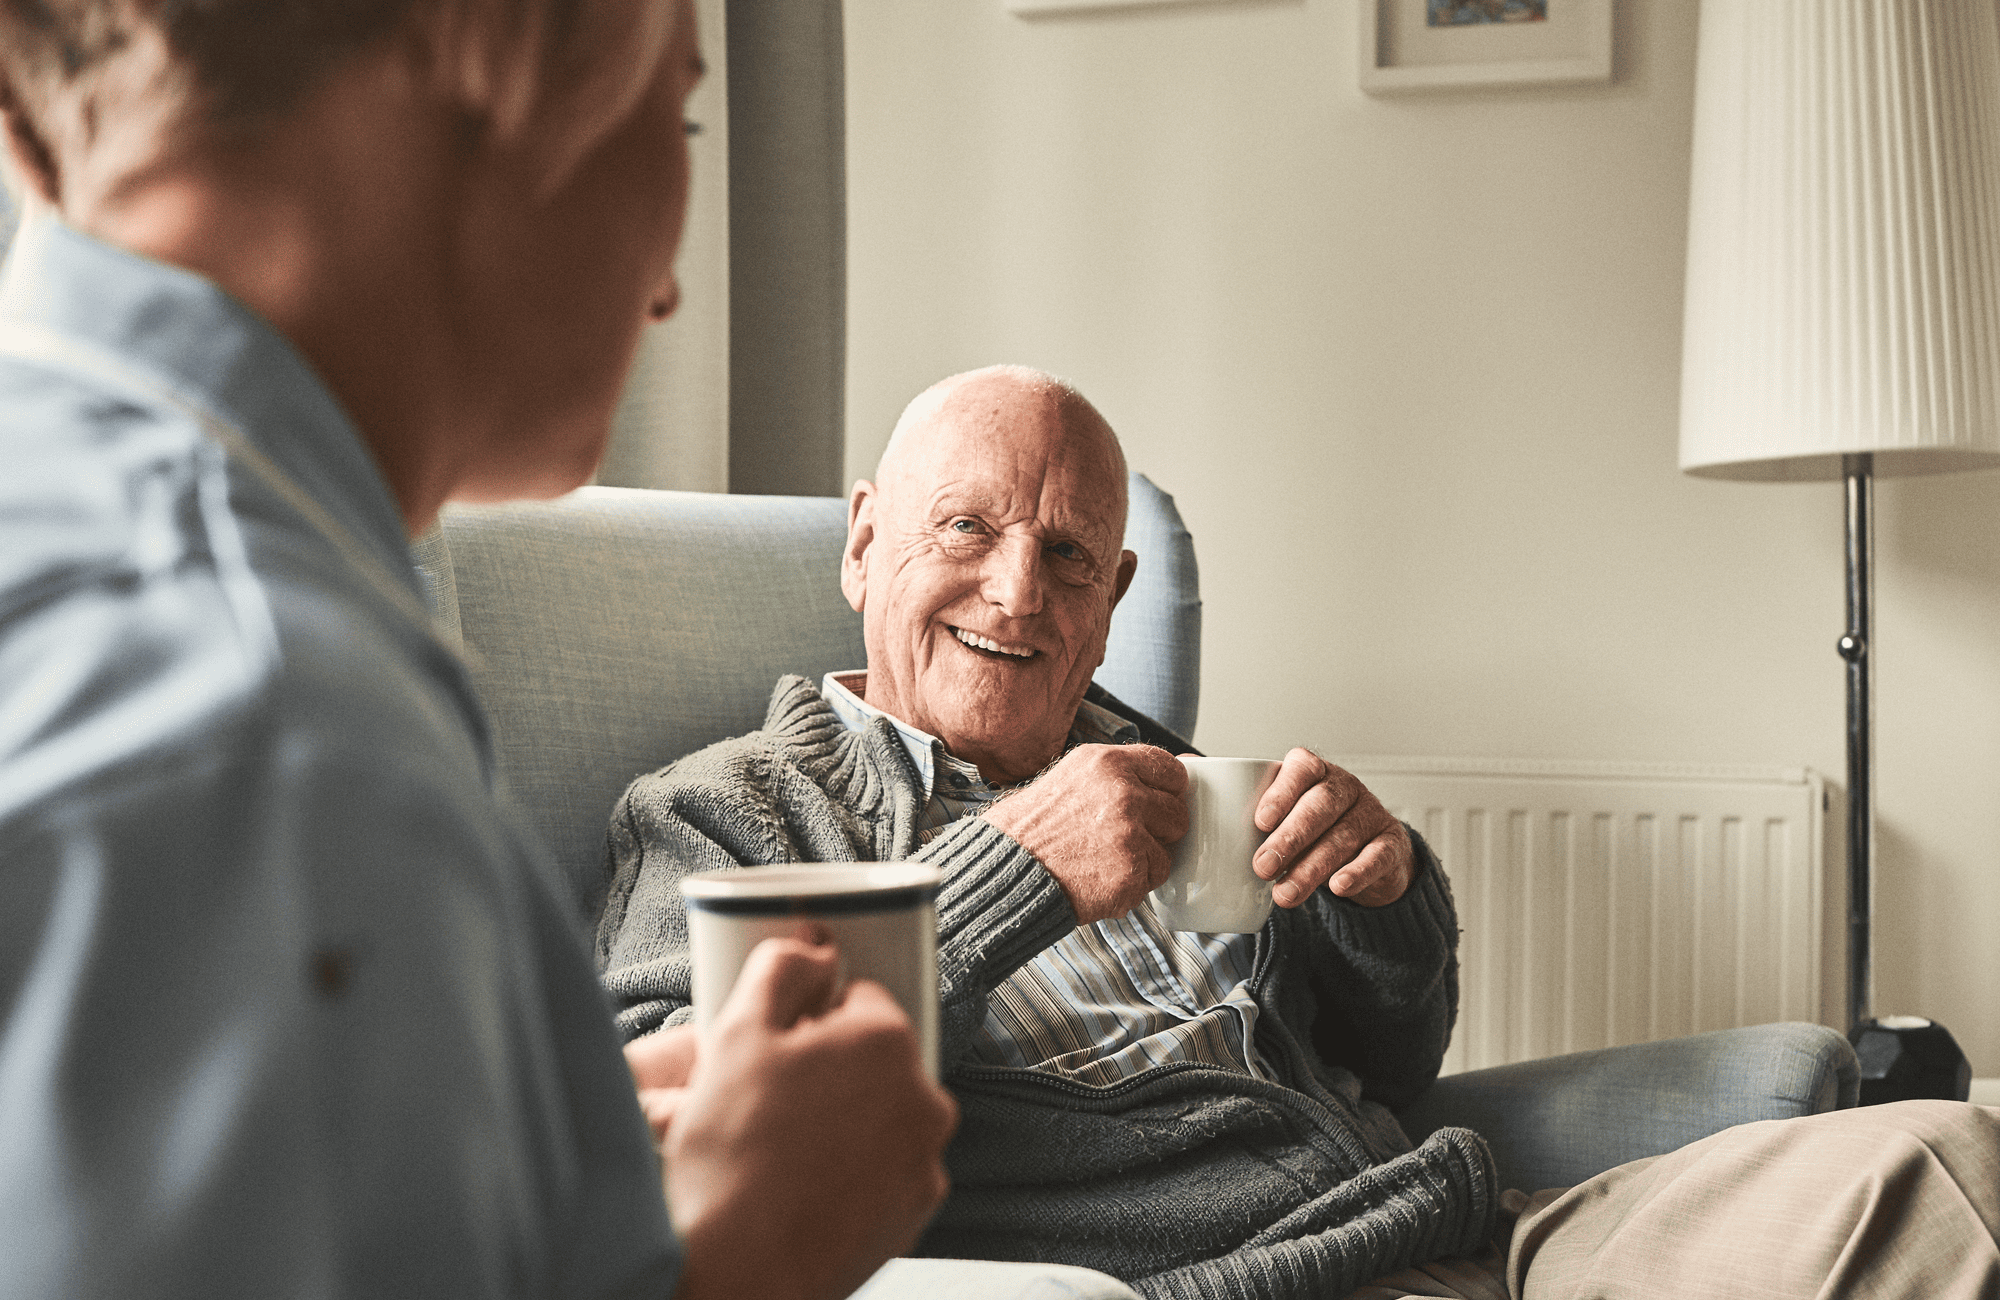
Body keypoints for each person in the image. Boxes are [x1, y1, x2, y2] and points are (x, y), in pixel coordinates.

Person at [595, 365, 2000, 1299]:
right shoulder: (728, 808)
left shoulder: (1165, 776)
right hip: (1217, 1287)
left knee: (1950, 1169)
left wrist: (1379, 910)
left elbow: (1390, 1066)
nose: (1018, 595)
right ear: (863, 543)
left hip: (1483, 1236)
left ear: (1113, 597)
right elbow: (664, 1132)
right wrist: (1017, 870)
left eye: (1070, 556)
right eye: (965, 529)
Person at [0, 3, 953, 1299]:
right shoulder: (284, 752)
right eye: (675, 117)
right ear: (480, 60)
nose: (669, 286)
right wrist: (748, 1254)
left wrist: (504, 1139)